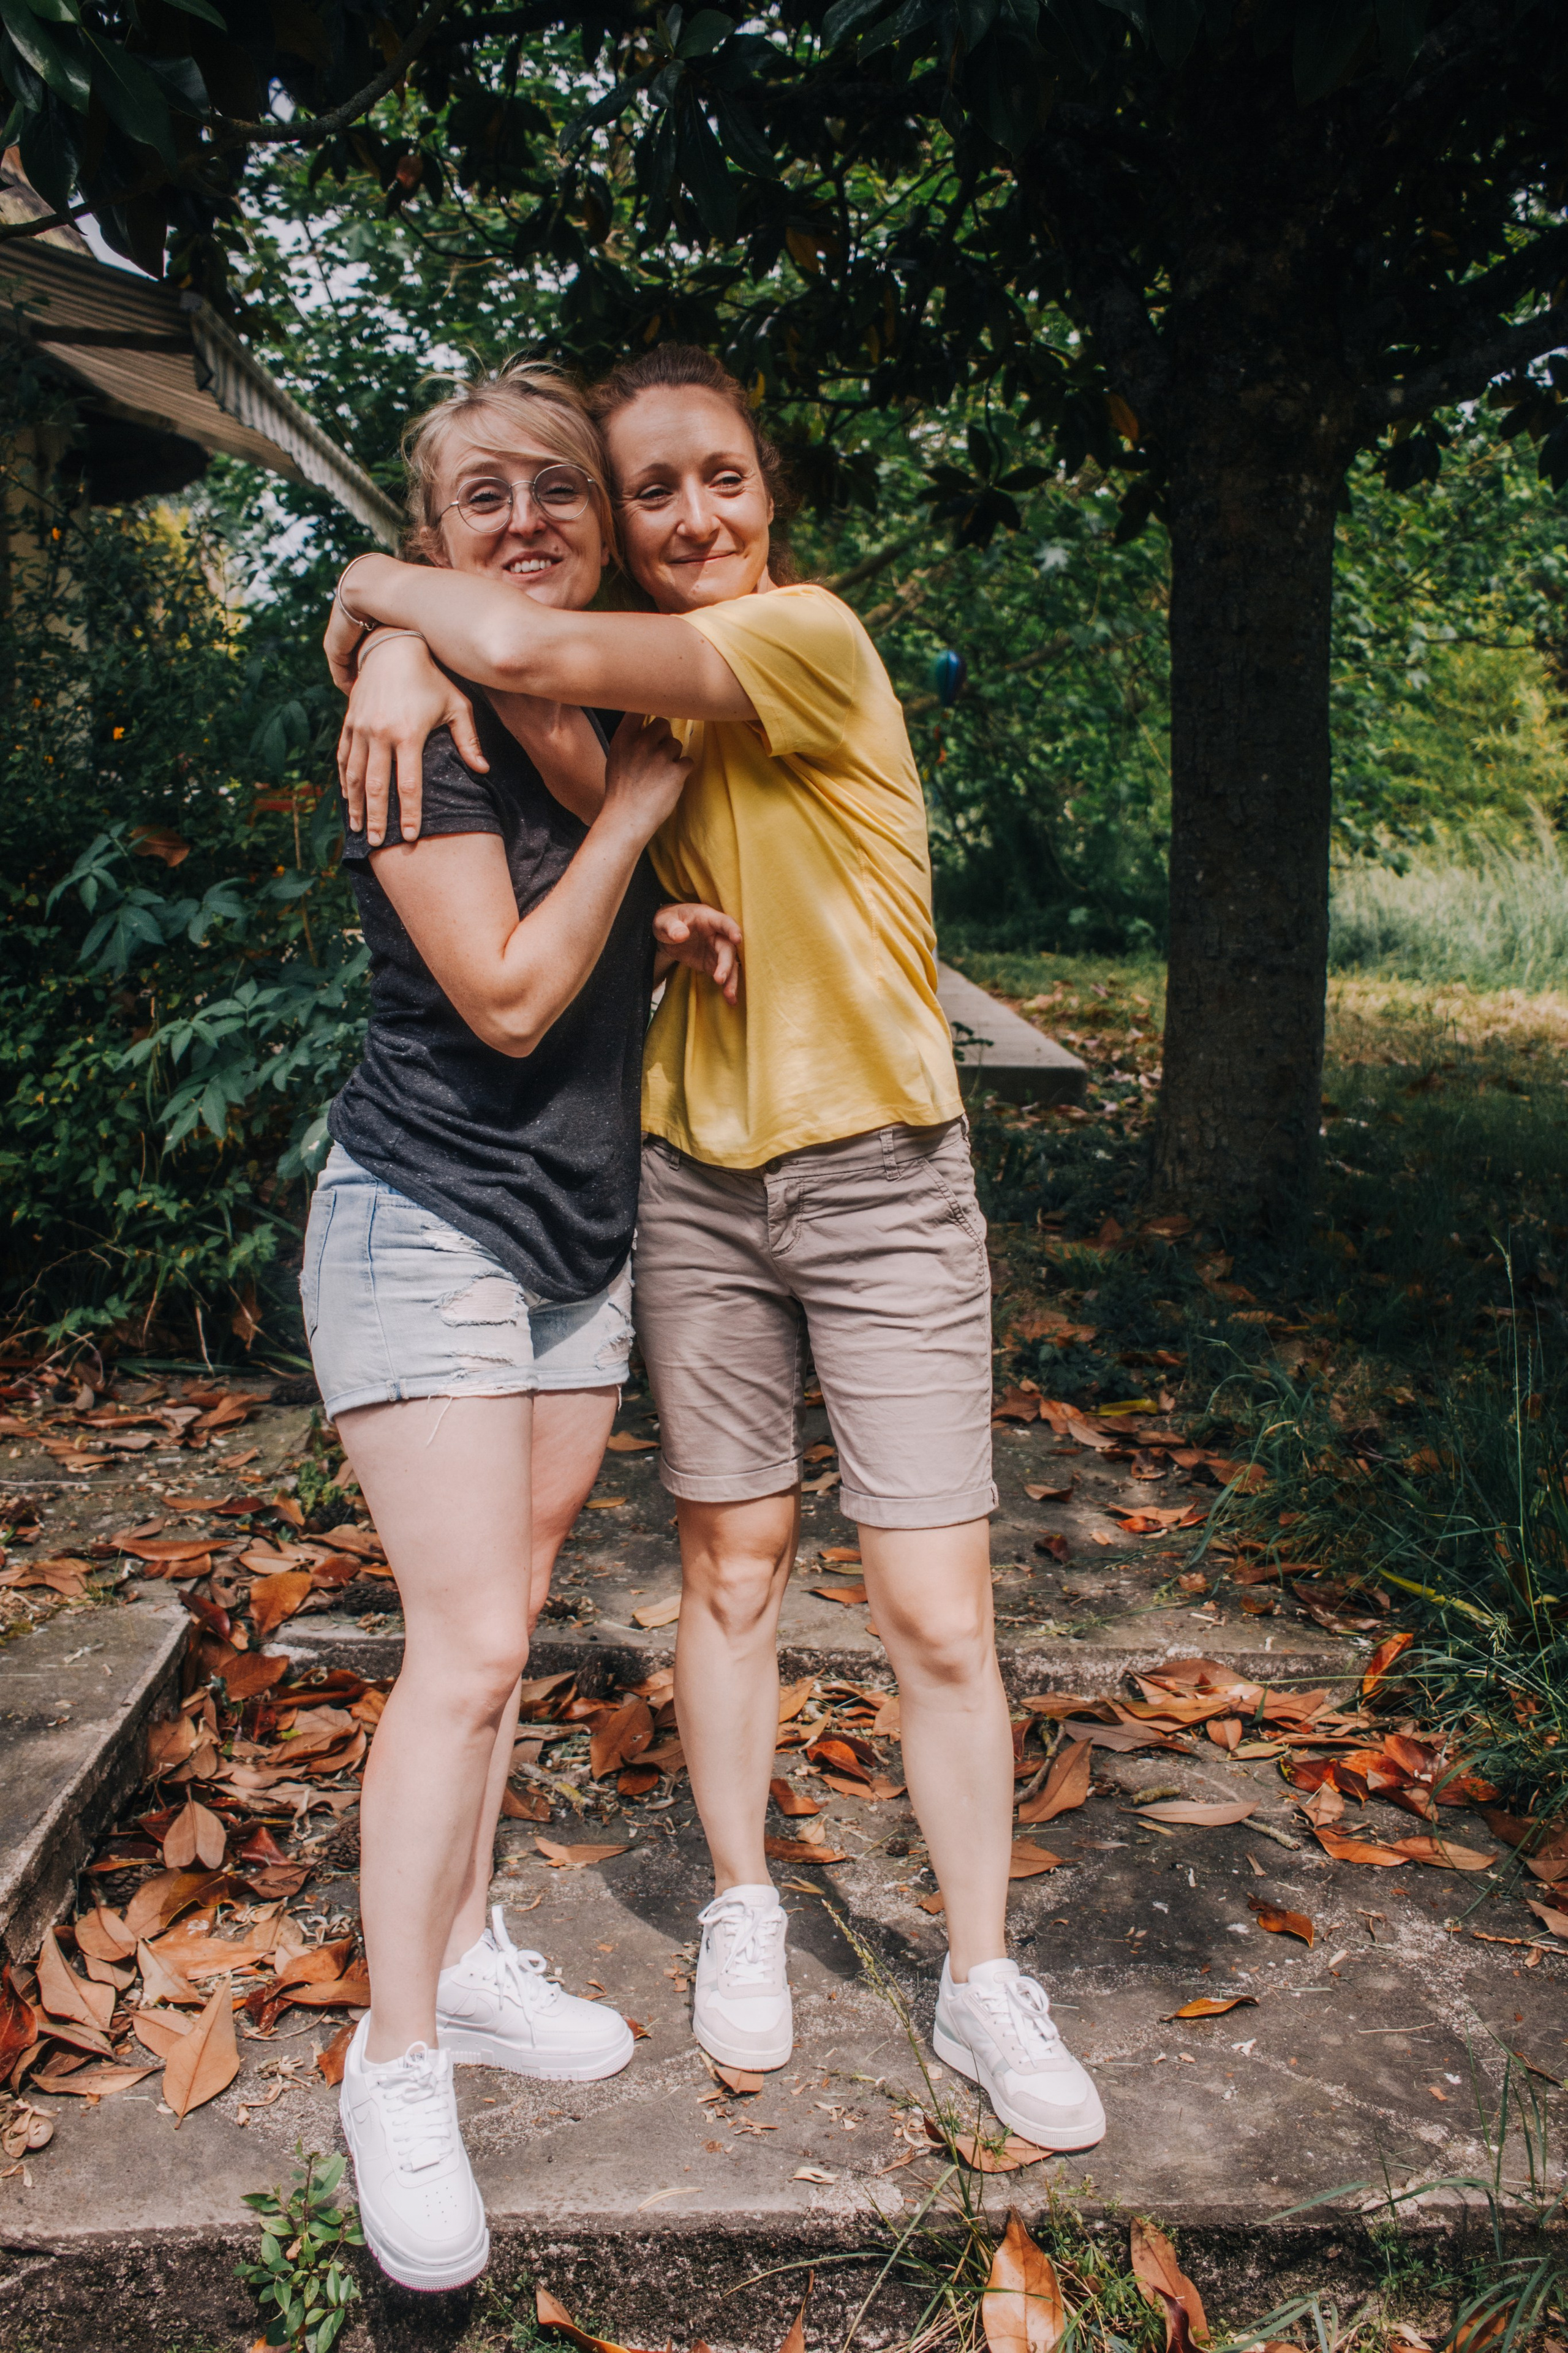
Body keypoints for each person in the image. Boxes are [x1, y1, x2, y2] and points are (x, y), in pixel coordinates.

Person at [326, 345, 1106, 2158]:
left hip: (883, 1176)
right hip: (686, 1180)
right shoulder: (593, 724)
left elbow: (510, 641)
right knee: (732, 1570)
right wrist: (393, 651)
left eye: (717, 477)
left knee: (932, 1606)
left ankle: (984, 1973)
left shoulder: (802, 638)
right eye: (650, 486)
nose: (689, 515)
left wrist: (368, 593)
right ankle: (742, 1897)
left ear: (772, 496)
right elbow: (550, 794)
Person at [308, 357, 741, 2294]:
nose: (527, 524)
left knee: (519, 1596)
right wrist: (648, 824)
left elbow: (567, 913)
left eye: (555, 491)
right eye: (478, 499)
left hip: (578, 1227)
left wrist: (645, 913)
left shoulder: (564, 696)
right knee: (472, 1647)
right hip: (427, 1219)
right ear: (433, 532)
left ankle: (466, 1952)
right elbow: (490, 989)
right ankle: (392, 2059)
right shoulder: (431, 721)